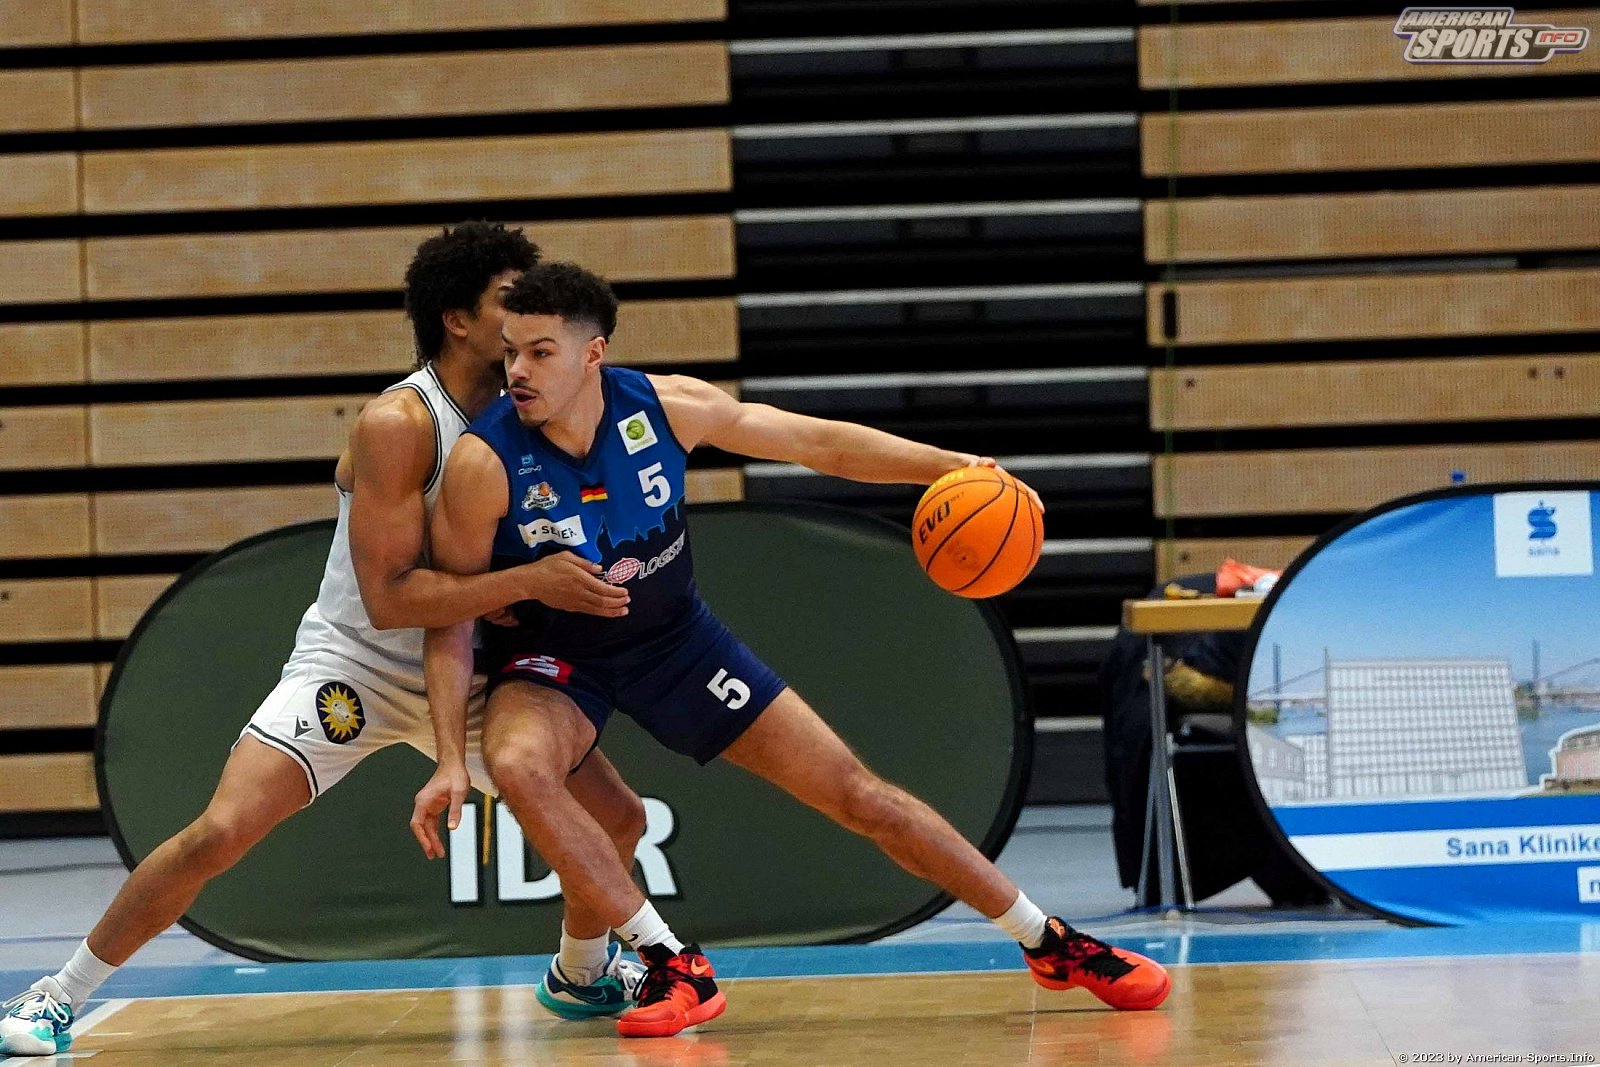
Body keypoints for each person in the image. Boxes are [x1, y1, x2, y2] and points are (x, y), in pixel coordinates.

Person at [415, 260, 1173, 1041]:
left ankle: (1047, 940)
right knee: (518, 761)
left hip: (675, 642)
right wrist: (449, 749)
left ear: (592, 354)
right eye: (511, 351)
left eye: (540, 352)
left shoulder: (666, 407)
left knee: (861, 796)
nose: (517, 370)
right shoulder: (484, 462)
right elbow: (447, 613)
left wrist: (954, 467)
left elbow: (816, 442)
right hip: (555, 658)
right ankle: (669, 960)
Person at [0, 224, 645, 1057]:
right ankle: (57, 993)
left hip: (470, 669)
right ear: (457, 320)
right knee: (222, 830)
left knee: (618, 819)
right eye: (508, 301)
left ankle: (581, 970)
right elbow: (390, 599)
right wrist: (529, 583)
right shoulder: (400, 421)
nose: (529, 316)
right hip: (358, 665)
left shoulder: (536, 412)